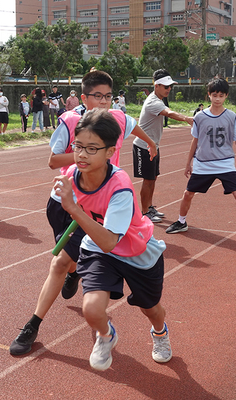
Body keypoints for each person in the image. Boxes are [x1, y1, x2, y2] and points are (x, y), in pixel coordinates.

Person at [9, 70, 157, 357]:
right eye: (96, 97)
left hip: (92, 207)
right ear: (84, 97)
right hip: (62, 200)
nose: (102, 102)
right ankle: (75, 273)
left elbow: (133, 125)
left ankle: (32, 325)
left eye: (107, 97)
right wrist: (85, 152)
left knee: (59, 263)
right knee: (68, 261)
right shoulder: (70, 120)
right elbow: (53, 160)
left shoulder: (117, 119)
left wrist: (150, 142)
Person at [52, 108, 170, 371]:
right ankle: (107, 336)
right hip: (99, 249)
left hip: (136, 249)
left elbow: (110, 241)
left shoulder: (120, 186)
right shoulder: (73, 173)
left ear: (109, 151)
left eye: (92, 148)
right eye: (78, 145)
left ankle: (160, 333)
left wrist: (73, 208)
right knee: (92, 310)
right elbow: (100, 244)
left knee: (151, 309)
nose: (82, 154)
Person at [166, 78, 236, 246]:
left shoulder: (232, 117)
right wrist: (188, 163)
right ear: (209, 95)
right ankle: (181, 221)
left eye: (221, 95)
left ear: (226, 96)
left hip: (225, 163)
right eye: (214, 95)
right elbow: (195, 140)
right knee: (187, 194)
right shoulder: (199, 117)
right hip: (203, 164)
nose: (217, 99)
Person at [133, 69, 194, 223]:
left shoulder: (158, 99)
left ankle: (150, 207)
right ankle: (145, 211)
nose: (169, 89)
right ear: (156, 85)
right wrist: (187, 118)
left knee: (152, 178)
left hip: (153, 146)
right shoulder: (153, 101)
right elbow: (169, 113)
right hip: (143, 146)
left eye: (170, 86)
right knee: (147, 180)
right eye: (166, 86)